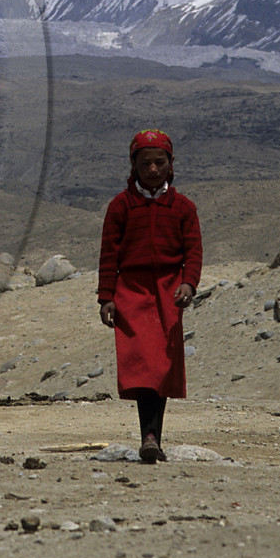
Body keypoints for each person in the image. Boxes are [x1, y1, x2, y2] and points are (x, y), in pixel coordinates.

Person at [97, 129, 201, 463]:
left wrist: (188, 284)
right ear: (134, 165)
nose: (153, 169)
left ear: (171, 164)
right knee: (141, 364)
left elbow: (193, 252)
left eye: (159, 162)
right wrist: (106, 296)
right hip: (132, 291)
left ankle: (151, 436)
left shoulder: (183, 208)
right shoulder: (120, 206)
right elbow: (108, 255)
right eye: (145, 163)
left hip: (169, 291)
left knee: (162, 365)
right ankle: (150, 437)